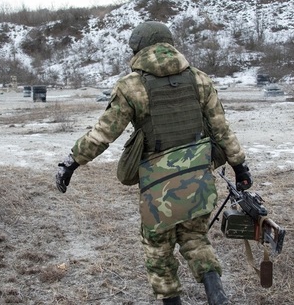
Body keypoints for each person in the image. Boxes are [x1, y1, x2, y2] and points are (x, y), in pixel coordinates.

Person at [54, 21, 252, 305]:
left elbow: (103, 133)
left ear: (138, 49)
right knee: (195, 238)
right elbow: (221, 128)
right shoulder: (199, 79)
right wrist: (240, 166)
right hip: (198, 173)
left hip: (158, 181)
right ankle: (216, 292)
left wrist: (71, 162)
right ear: (170, 44)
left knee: (158, 249)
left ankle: (171, 301)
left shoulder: (131, 87)